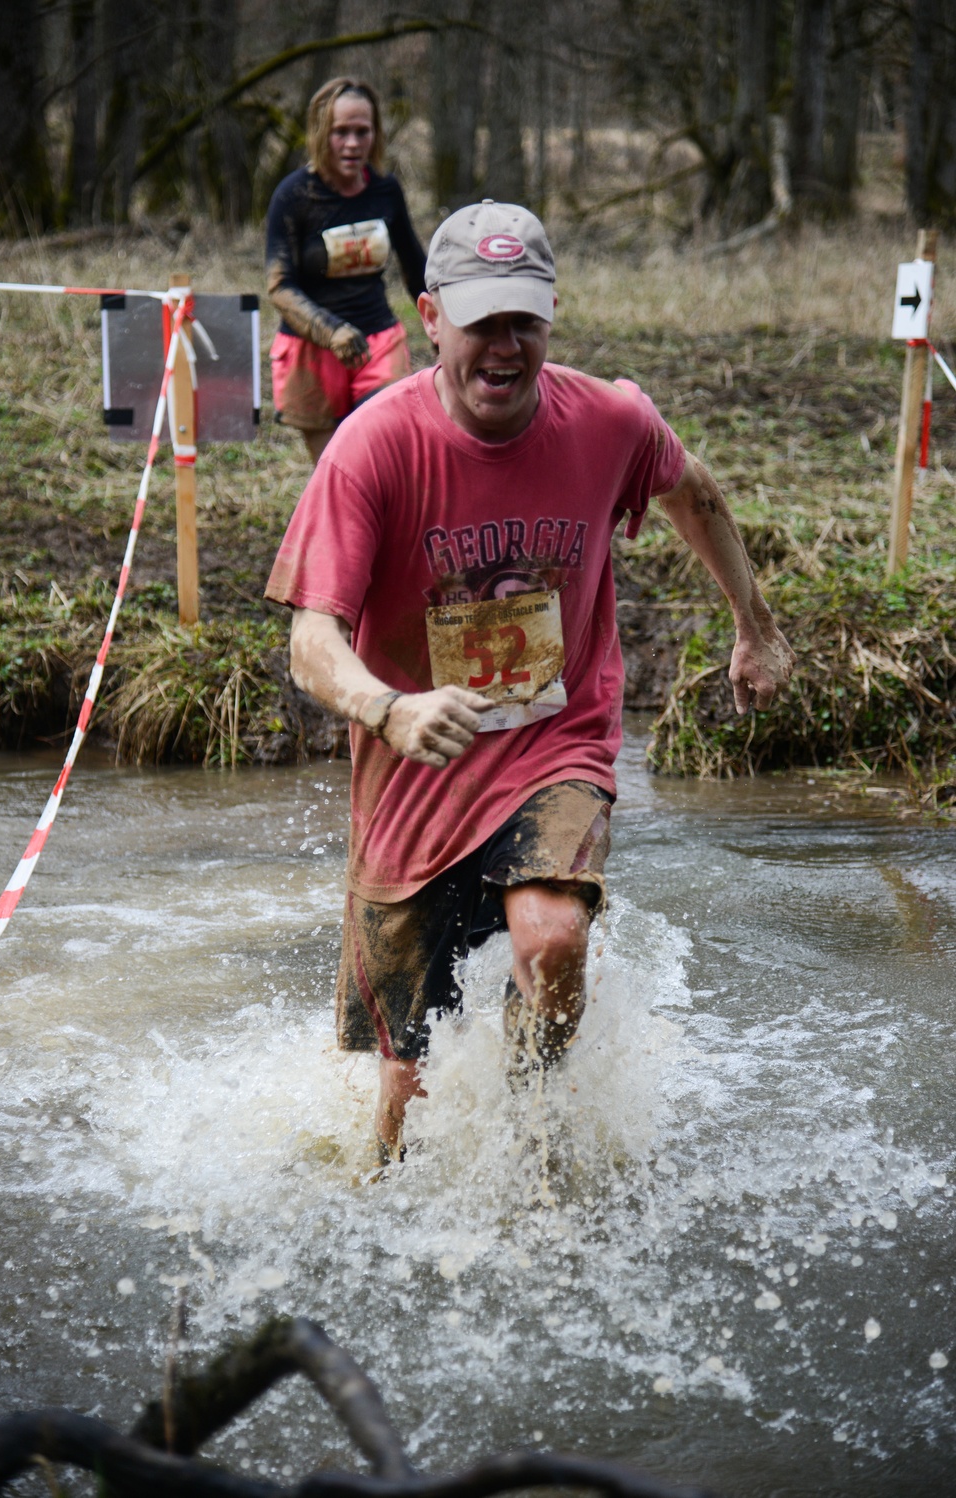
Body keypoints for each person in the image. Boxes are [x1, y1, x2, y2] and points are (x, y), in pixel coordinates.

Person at [265, 200, 795, 1164]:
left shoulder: (610, 420)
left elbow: (694, 492)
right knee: (404, 1098)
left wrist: (753, 628)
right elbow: (310, 641)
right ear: (431, 318)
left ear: (551, 314)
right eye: (481, 323)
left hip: (557, 740)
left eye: (524, 320)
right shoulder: (371, 448)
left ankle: (530, 1131)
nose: (504, 348)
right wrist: (390, 706)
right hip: (417, 770)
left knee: (552, 939)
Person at [265, 76, 427, 464]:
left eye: (362, 131)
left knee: (382, 455)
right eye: (341, 132)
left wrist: (448, 331)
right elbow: (279, 285)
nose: (352, 144)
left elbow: (415, 268)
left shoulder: (385, 190)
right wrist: (330, 329)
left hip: (378, 341)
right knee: (336, 471)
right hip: (311, 350)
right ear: (322, 133)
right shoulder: (294, 195)